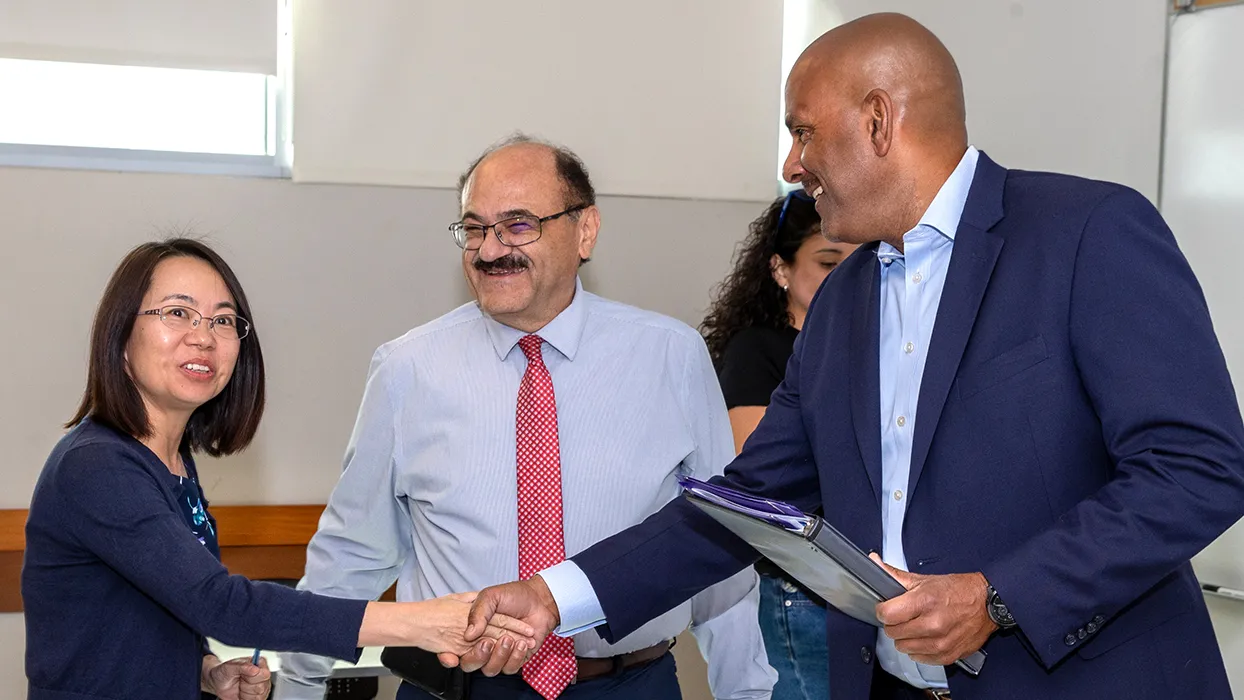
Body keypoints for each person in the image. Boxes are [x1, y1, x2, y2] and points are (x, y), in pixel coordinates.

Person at [463, 13, 1244, 700]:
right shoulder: (844, 300)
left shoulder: (1086, 233)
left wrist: (997, 597)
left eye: (803, 130)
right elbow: (747, 504)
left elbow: (1198, 468)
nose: (791, 166)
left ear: (878, 120)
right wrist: (554, 595)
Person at [274, 135, 776, 700]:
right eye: (474, 228)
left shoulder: (670, 358)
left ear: (585, 230)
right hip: (455, 688)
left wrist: (747, 692)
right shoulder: (406, 369)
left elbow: (718, 550)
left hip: (627, 684)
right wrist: (299, 686)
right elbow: (352, 553)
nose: (490, 250)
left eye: (517, 225)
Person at [21, 239, 533, 700]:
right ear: (121, 335)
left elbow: (134, 613)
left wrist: (203, 669)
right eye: (178, 313)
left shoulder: (170, 460)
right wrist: (418, 622)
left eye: (223, 320)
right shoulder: (97, 466)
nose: (203, 337)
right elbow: (219, 604)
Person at [702, 190, 857, 700]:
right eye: (827, 261)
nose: (844, 277)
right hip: (800, 588)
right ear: (780, 269)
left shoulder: (873, 344)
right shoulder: (758, 351)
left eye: (858, 263)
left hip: (867, 585)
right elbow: (768, 481)